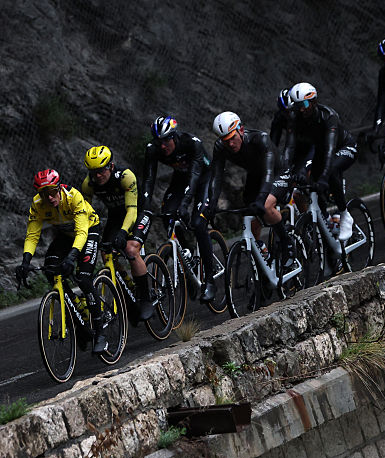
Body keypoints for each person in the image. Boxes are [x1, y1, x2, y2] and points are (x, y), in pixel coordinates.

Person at [14, 169, 109, 354]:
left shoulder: (73, 196)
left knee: (83, 278)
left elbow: (82, 232)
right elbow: (33, 235)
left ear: (59, 188)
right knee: (50, 269)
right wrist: (25, 261)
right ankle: (77, 312)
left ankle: (101, 334)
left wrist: (72, 257)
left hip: (88, 231)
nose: (49, 198)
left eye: (52, 192)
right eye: (44, 194)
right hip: (66, 235)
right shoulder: (38, 204)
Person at [139, 116, 217, 302]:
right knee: (167, 214)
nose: (163, 146)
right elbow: (148, 180)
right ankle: (187, 262)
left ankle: (210, 280)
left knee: (198, 223)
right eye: (159, 142)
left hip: (203, 178)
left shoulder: (191, 143)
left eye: (166, 141)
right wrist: (145, 208)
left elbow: (195, 176)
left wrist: (184, 205)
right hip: (181, 178)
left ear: (174, 137)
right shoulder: (153, 150)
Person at [209, 111, 295, 267]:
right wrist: (211, 203)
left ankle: (286, 242)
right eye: (224, 140)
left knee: (266, 206)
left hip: (277, 172)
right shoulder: (221, 147)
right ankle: (260, 250)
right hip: (256, 175)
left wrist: (261, 199)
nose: (230, 144)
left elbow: (268, 173)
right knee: (249, 212)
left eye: (232, 138)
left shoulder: (259, 139)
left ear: (241, 130)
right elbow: (216, 177)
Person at [81, 146, 153, 322]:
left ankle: (145, 298)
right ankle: (127, 286)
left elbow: (132, 211)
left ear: (111, 166)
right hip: (115, 217)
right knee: (106, 254)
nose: (97, 176)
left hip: (138, 212)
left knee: (131, 249)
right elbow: (85, 214)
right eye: (93, 172)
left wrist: (123, 233)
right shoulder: (88, 185)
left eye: (101, 171)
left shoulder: (125, 177)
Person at [281, 82, 358, 240]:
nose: (302, 109)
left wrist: (323, 177)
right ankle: (325, 223)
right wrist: (286, 173)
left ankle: (344, 215)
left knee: (330, 171)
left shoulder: (329, 116)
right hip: (321, 152)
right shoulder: (295, 118)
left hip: (342, 148)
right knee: (311, 184)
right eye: (297, 106)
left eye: (305, 104)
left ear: (314, 102)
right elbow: (289, 148)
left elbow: (330, 151)